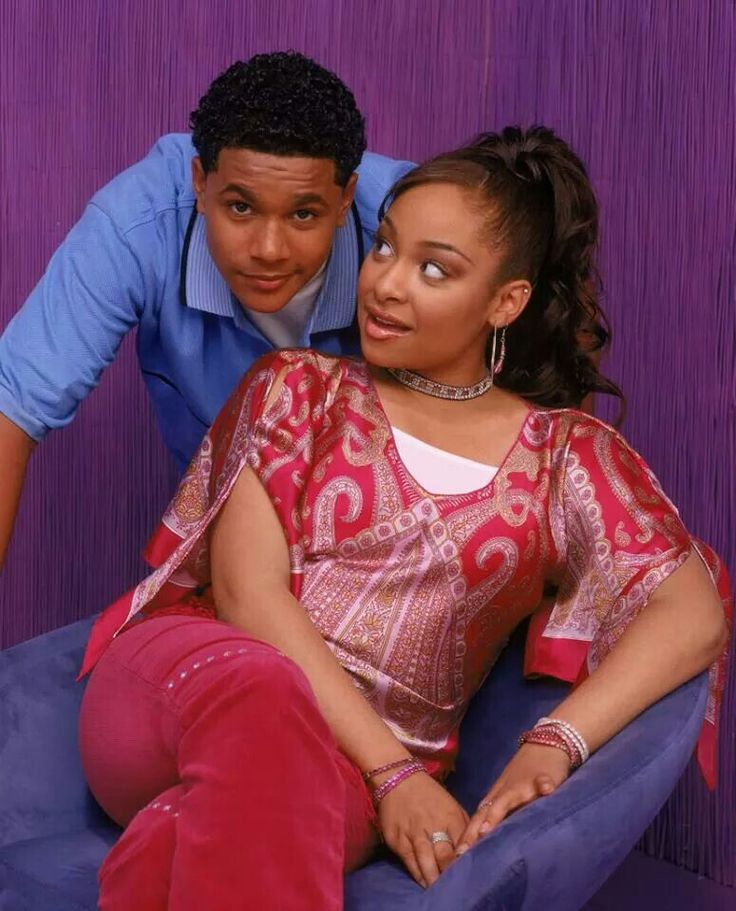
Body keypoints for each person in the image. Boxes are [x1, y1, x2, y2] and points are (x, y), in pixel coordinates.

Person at [78, 126, 729, 911]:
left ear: (506, 300)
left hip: (335, 780)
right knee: (262, 692)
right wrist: (396, 776)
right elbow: (249, 599)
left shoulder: (565, 458)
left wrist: (556, 739)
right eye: (384, 248)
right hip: (186, 687)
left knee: (206, 828)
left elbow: (690, 609)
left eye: (432, 268)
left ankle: (170, 841)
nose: (385, 284)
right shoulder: (299, 389)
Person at [0, 51, 413, 570]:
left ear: (346, 198)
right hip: (220, 566)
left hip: (393, 569)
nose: (268, 249)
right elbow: (11, 405)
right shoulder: (138, 222)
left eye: (304, 214)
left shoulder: (411, 226)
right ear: (200, 182)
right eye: (240, 207)